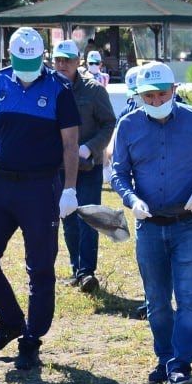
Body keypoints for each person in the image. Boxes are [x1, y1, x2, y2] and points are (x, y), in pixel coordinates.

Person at [0, 28, 81, 372]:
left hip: (41, 187)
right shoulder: (0, 82)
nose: (25, 67)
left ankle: (31, 339)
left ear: (42, 57)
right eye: (20, 60)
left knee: (40, 268)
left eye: (32, 61)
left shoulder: (59, 90)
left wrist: (70, 188)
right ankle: (11, 320)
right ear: (10, 56)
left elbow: (70, 144)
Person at [110, 62, 192, 384]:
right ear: (138, 96)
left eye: (163, 94)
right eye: (149, 96)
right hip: (149, 224)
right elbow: (118, 173)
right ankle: (165, 358)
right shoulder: (128, 126)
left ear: (174, 90)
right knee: (157, 300)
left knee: (190, 299)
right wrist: (131, 199)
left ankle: (181, 364)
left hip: (189, 223)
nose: (158, 102)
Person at [51, 40, 116, 294]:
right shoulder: (47, 89)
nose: (62, 64)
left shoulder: (94, 90)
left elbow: (109, 123)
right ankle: (77, 268)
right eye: (58, 59)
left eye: (67, 59)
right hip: (57, 166)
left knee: (88, 217)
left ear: (79, 61)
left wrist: (89, 147)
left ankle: (87, 272)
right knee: (67, 218)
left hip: (88, 166)